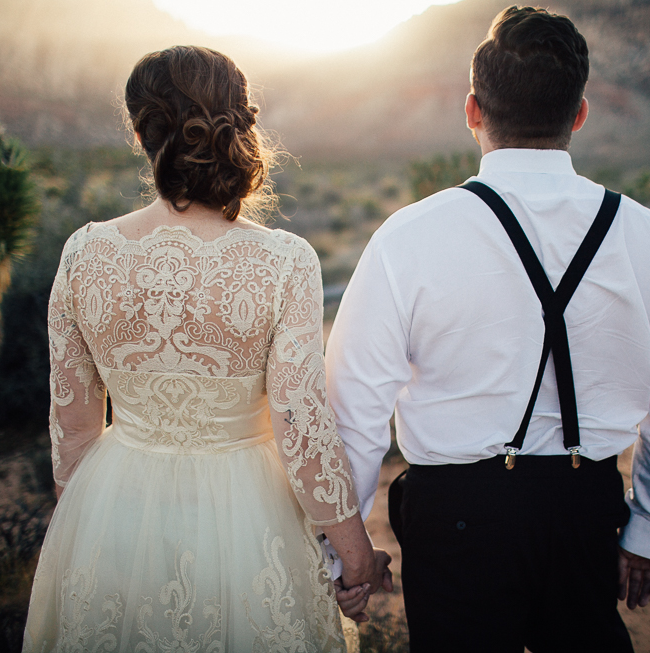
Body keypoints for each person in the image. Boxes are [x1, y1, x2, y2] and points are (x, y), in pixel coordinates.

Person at [325, 5, 650, 652]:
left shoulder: (409, 237)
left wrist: (348, 551)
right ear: (579, 113)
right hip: (587, 510)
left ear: (472, 110)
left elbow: (354, 406)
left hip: (455, 519)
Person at [23, 45, 389, 652]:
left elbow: (74, 436)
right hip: (247, 517)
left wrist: (90, 535)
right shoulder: (283, 261)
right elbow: (300, 428)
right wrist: (357, 558)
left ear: (142, 132)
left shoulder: (85, 254)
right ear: (238, 127)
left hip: (116, 506)